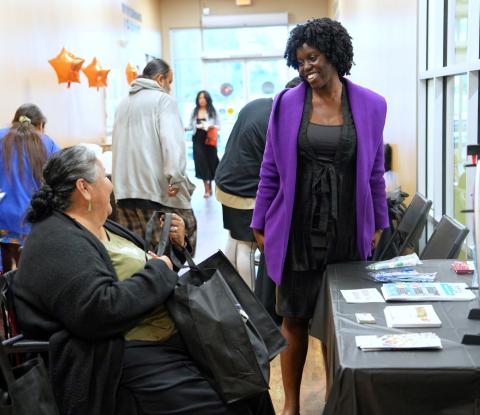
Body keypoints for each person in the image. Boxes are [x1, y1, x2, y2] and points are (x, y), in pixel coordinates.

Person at [13, 145, 275, 415]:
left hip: (162, 338)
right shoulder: (58, 242)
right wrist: (159, 271)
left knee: (251, 386)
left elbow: (141, 268)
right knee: (231, 407)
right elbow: (99, 310)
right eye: (104, 177)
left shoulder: (96, 226)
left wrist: (173, 249)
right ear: (84, 188)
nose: (110, 184)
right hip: (120, 357)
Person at [251, 18, 389, 415]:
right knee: (293, 318)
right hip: (296, 226)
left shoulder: (371, 105)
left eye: (312, 57)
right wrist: (259, 222)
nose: (305, 67)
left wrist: (379, 223)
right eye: (299, 61)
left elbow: (375, 171)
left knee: (339, 325)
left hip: (346, 227)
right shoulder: (286, 103)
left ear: (335, 54)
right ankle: (291, 405)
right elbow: (270, 169)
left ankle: (334, 401)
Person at [215, 77, 302, 294]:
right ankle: (253, 308)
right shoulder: (279, 120)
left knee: (235, 239)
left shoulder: (258, 104)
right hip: (242, 190)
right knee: (248, 245)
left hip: (225, 182)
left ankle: (234, 297)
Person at [112, 58, 197, 253]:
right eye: (170, 81)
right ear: (160, 79)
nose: (170, 87)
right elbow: (172, 143)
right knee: (174, 251)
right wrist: (175, 178)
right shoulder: (163, 100)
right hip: (156, 193)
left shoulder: (122, 104)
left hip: (124, 194)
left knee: (139, 256)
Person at [0, 103, 59, 272]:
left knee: (5, 269)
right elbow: (61, 176)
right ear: (41, 125)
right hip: (31, 218)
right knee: (28, 271)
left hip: (2, 216)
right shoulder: (47, 142)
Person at [189, 90, 220, 198]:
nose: (201, 100)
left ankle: (210, 185)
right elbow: (190, 125)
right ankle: (206, 188)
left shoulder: (212, 111)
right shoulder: (195, 111)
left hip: (209, 139)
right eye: (200, 98)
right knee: (200, 162)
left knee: (211, 161)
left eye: (204, 98)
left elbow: (218, 125)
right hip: (197, 138)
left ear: (207, 99)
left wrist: (208, 125)